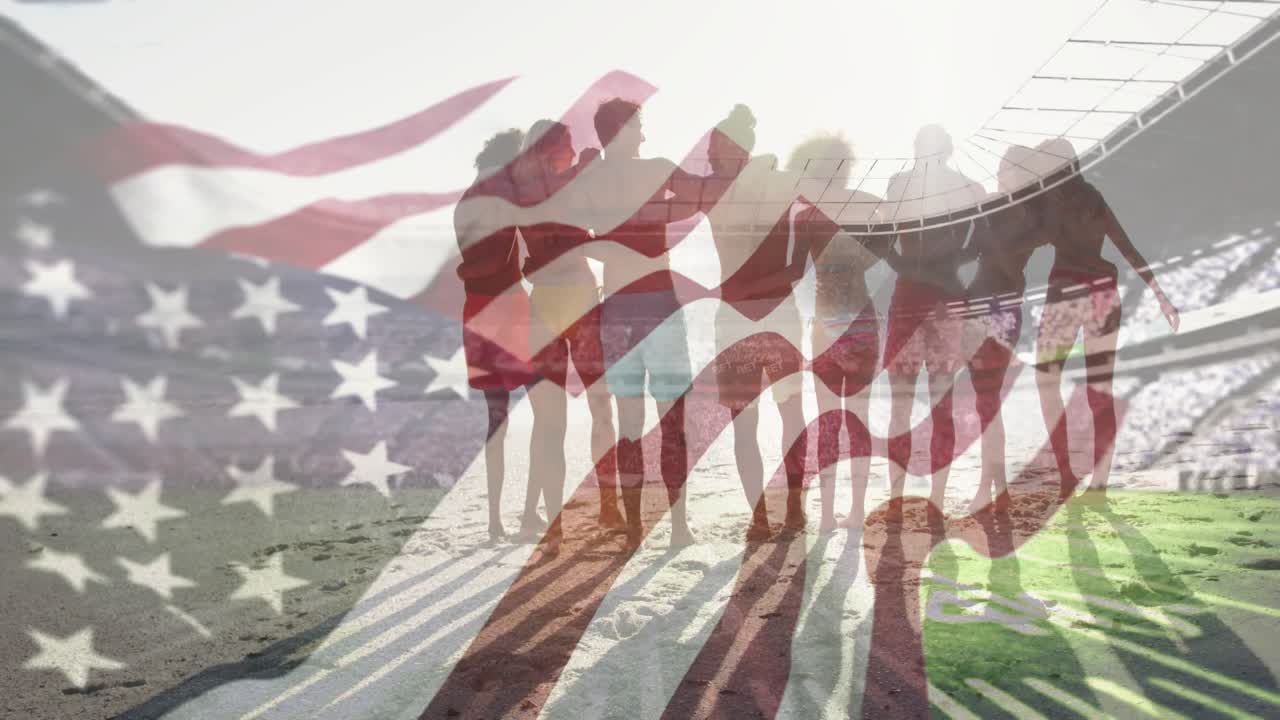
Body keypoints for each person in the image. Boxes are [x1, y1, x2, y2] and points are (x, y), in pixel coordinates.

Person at [571, 98, 710, 547]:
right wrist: (661, 215)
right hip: (658, 307)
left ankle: (633, 529)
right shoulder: (658, 168)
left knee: (630, 420)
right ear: (623, 128)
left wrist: (613, 244)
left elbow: (571, 238)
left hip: (616, 311)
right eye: (639, 126)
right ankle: (680, 527)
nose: (645, 135)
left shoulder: (589, 180)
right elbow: (703, 196)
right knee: (672, 420)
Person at [1034, 139, 1178, 503]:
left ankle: (1066, 472)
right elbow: (1126, 246)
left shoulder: (1050, 200)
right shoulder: (1093, 197)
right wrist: (1159, 294)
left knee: (1046, 378)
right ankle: (1099, 480)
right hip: (1101, 293)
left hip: (1067, 294)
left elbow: (1035, 239)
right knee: (1100, 386)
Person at [513, 120, 623, 540]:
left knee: (548, 420)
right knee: (600, 405)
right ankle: (609, 508)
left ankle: (550, 521)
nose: (573, 153)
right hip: (578, 298)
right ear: (554, 149)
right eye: (567, 147)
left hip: (543, 303)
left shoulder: (520, 194)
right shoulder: (573, 185)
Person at [788, 133, 892, 531]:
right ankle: (857, 510)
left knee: (829, 420)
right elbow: (887, 234)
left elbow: (795, 268)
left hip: (827, 322)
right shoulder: (865, 204)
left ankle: (829, 513)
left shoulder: (809, 211)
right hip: (863, 320)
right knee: (859, 418)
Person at [881, 125, 986, 514]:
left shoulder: (901, 183)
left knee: (904, 406)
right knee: (934, 403)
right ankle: (933, 498)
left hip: (914, 297)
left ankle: (901, 497)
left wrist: (904, 263)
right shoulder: (966, 187)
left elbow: (883, 234)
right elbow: (979, 240)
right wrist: (951, 261)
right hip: (941, 297)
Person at [960, 145, 1054, 512]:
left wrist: (986, 209)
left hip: (1003, 310)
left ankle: (990, 487)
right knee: (983, 401)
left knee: (988, 401)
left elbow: (1004, 253)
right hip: (974, 307)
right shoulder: (994, 208)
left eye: (1012, 169)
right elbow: (970, 252)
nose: (1004, 175)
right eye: (1002, 169)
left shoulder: (1032, 215)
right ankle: (995, 485)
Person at [453, 129, 535, 541]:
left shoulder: (466, 199)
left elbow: (471, 254)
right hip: (508, 306)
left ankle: (494, 520)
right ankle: (530, 512)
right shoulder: (505, 195)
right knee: (545, 402)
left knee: (496, 418)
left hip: (477, 311)